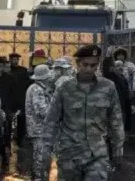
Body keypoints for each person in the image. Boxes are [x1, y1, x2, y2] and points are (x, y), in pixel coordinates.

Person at [41, 44, 124, 180]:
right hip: (69, 155)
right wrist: (46, 153)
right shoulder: (64, 89)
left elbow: (116, 121)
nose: (89, 69)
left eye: (93, 65)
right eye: (85, 65)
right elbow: (51, 122)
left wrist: (118, 150)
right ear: (78, 63)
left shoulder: (108, 88)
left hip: (97, 155)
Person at [26, 64, 54, 181]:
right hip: (39, 130)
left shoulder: (39, 88)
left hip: (40, 129)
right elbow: (42, 111)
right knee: (40, 159)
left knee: (41, 158)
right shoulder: (37, 89)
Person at [0, 56, 15, 168]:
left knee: (6, 134)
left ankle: (5, 156)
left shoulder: (9, 78)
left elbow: (13, 94)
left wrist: (11, 110)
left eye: (1, 66)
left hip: (7, 110)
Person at [101, 57, 131, 134]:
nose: (120, 68)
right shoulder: (109, 78)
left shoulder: (122, 78)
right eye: (116, 66)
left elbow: (126, 93)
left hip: (122, 107)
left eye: (121, 66)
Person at [9, 52, 31, 145]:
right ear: (10, 60)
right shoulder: (8, 70)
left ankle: (20, 140)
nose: (15, 61)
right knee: (10, 120)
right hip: (10, 100)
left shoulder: (23, 70)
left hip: (21, 99)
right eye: (13, 59)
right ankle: (9, 140)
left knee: (21, 120)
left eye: (16, 60)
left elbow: (28, 84)